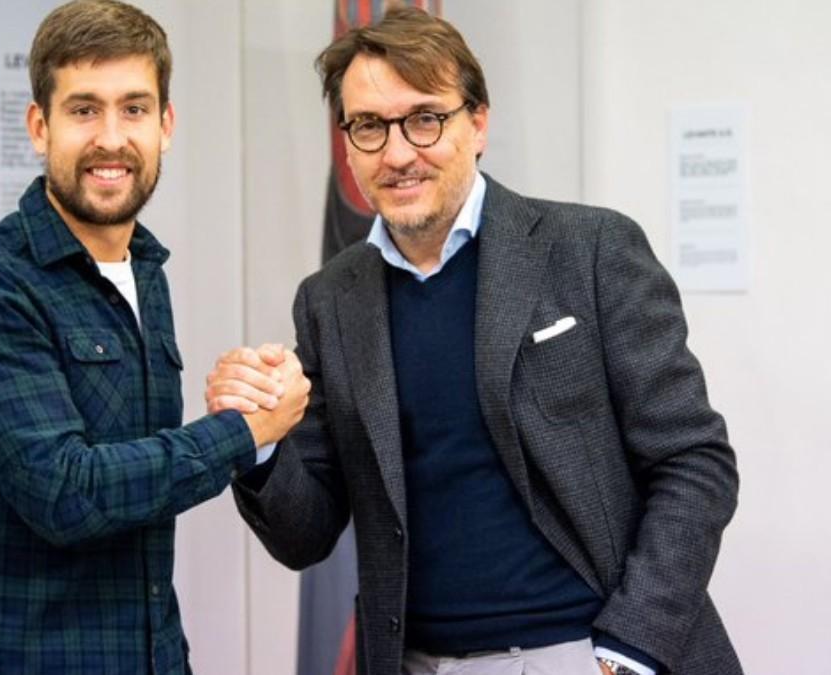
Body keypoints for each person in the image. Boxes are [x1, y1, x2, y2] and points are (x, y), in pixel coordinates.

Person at [212, 7, 740, 675]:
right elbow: (308, 530)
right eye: (369, 126)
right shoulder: (329, 300)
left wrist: (631, 645)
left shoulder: (592, 249)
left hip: (588, 651)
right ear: (346, 144)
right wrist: (256, 442)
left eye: (425, 118)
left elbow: (694, 462)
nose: (399, 152)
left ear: (479, 122)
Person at [0, 1, 308, 672]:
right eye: (84, 109)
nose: (111, 138)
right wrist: (245, 430)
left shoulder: (144, 272)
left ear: (166, 125)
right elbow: (67, 492)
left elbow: (139, 496)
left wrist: (245, 398)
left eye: (133, 109)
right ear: (39, 126)